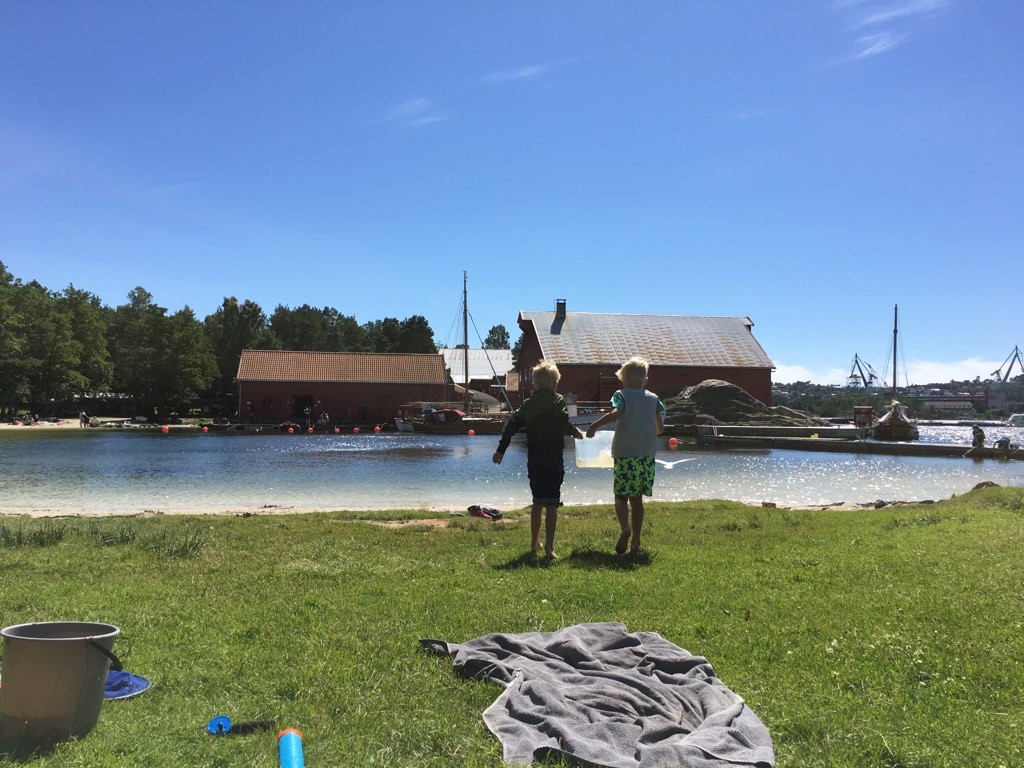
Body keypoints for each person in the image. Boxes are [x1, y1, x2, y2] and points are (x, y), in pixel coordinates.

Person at [493, 361, 584, 559]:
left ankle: (534, 541)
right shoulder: (557, 400)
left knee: (537, 501)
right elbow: (562, 422)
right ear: (554, 383)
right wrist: (575, 432)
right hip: (553, 458)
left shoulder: (529, 404)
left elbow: (511, 425)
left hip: (534, 458)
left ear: (535, 383)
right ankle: (549, 547)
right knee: (552, 502)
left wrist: (501, 450)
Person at [585, 357, 665, 555]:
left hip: (625, 455)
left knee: (621, 496)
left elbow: (615, 413)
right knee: (636, 499)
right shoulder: (654, 399)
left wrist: (595, 425)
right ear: (645, 380)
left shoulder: (621, 395)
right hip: (646, 456)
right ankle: (636, 542)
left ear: (625, 378)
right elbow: (660, 430)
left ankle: (625, 528)